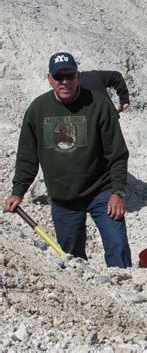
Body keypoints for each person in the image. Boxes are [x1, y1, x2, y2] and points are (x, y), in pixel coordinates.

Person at [3, 52, 132, 268]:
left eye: (69, 76)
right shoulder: (38, 110)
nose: (65, 82)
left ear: (77, 76)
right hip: (63, 199)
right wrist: (18, 191)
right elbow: (27, 156)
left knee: (118, 246)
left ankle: (125, 290)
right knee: (72, 260)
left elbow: (117, 153)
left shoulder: (98, 105)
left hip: (101, 191)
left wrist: (118, 192)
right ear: (50, 79)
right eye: (59, 77)